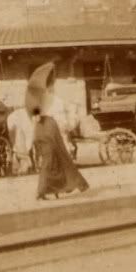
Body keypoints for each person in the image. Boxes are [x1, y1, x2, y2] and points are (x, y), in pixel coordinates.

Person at [27, 63, 89, 200]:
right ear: (50, 86)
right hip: (51, 129)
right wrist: (65, 128)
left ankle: (58, 187)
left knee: (51, 160)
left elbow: (35, 119)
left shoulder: (36, 101)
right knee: (58, 159)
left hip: (39, 131)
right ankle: (43, 190)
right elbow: (61, 120)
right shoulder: (55, 100)